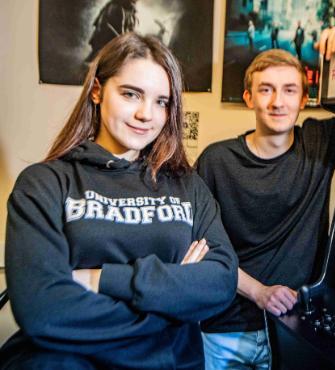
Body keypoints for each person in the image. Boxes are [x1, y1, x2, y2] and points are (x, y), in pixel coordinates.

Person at [0, 33, 238, 370]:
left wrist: (100, 279)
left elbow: (220, 282)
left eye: (162, 101)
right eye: (131, 94)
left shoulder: (187, 185)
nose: (146, 114)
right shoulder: (46, 183)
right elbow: (44, 310)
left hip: (170, 361)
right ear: (97, 91)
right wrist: (172, 305)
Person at [197, 43, 335, 368]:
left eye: (289, 90)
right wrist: (258, 292)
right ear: (249, 98)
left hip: (294, 327)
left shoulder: (321, 143)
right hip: (223, 330)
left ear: (304, 100)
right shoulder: (216, 160)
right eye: (266, 90)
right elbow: (201, 248)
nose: (278, 101)